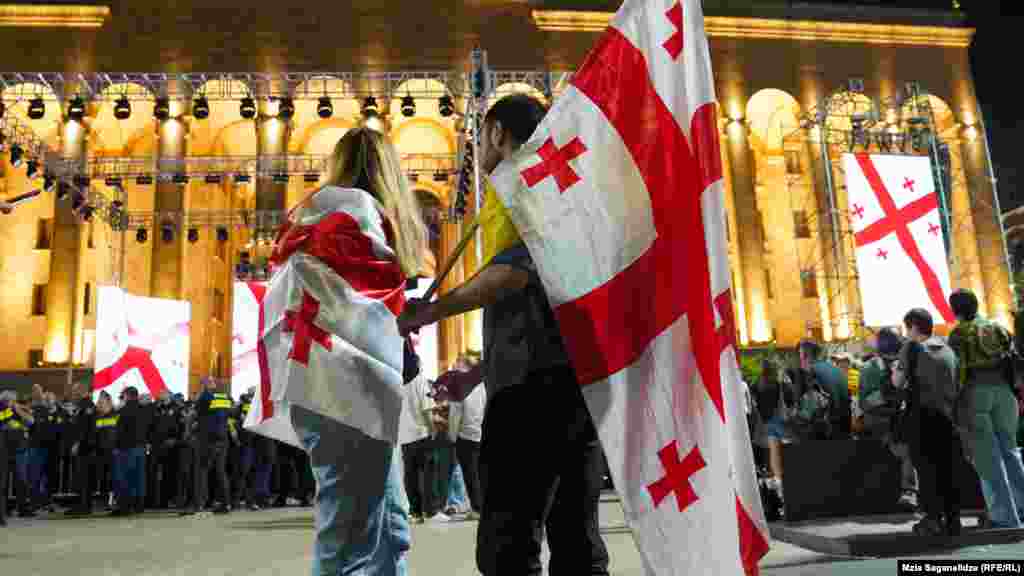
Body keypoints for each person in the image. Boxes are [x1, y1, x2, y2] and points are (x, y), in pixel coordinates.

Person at [398, 93, 611, 576]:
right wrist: (475, 374)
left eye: (482, 140)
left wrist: (431, 311)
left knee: (508, 541)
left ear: (496, 133)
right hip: (578, 381)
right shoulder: (568, 185)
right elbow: (545, 294)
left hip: (528, 389)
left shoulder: (520, 183)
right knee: (576, 534)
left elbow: (513, 274)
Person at [276, 127, 425, 575]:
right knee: (350, 537)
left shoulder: (316, 215)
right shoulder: (354, 212)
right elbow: (371, 297)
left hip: (338, 384)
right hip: (349, 385)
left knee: (391, 526)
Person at [948, 289, 1024, 528]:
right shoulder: (997, 327)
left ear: (955, 310)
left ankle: (1004, 517)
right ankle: (1022, 509)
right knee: (1011, 452)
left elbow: (958, 372)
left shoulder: (959, 333)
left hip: (976, 393)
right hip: (1004, 393)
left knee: (988, 459)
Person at [895, 307, 963, 536]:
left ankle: (932, 518)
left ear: (914, 327)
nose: (906, 333)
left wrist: (897, 370)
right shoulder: (948, 350)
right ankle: (953, 519)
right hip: (947, 416)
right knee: (947, 468)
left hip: (921, 417)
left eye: (907, 328)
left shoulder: (911, 348)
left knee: (925, 469)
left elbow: (897, 382)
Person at [186, 377, 232, 515]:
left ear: (204, 386)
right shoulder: (224, 398)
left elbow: (193, 415)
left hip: (207, 440)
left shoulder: (204, 397)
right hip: (222, 440)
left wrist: (189, 431)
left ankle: (199, 504)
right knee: (220, 472)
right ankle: (226, 503)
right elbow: (226, 416)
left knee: (201, 471)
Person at [113, 386, 147, 516]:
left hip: (126, 449)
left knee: (124, 478)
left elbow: (120, 431)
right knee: (139, 478)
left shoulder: (123, 411)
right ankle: (139, 506)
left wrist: (116, 447)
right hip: (141, 448)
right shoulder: (144, 410)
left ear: (127, 396)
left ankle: (124, 507)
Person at [65, 383, 97, 516]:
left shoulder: (87, 405)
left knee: (83, 477)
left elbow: (84, 427)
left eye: (74, 392)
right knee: (80, 477)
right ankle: (80, 504)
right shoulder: (81, 405)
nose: (73, 394)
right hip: (82, 446)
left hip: (85, 447)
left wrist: (78, 443)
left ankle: (84, 506)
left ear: (81, 391)